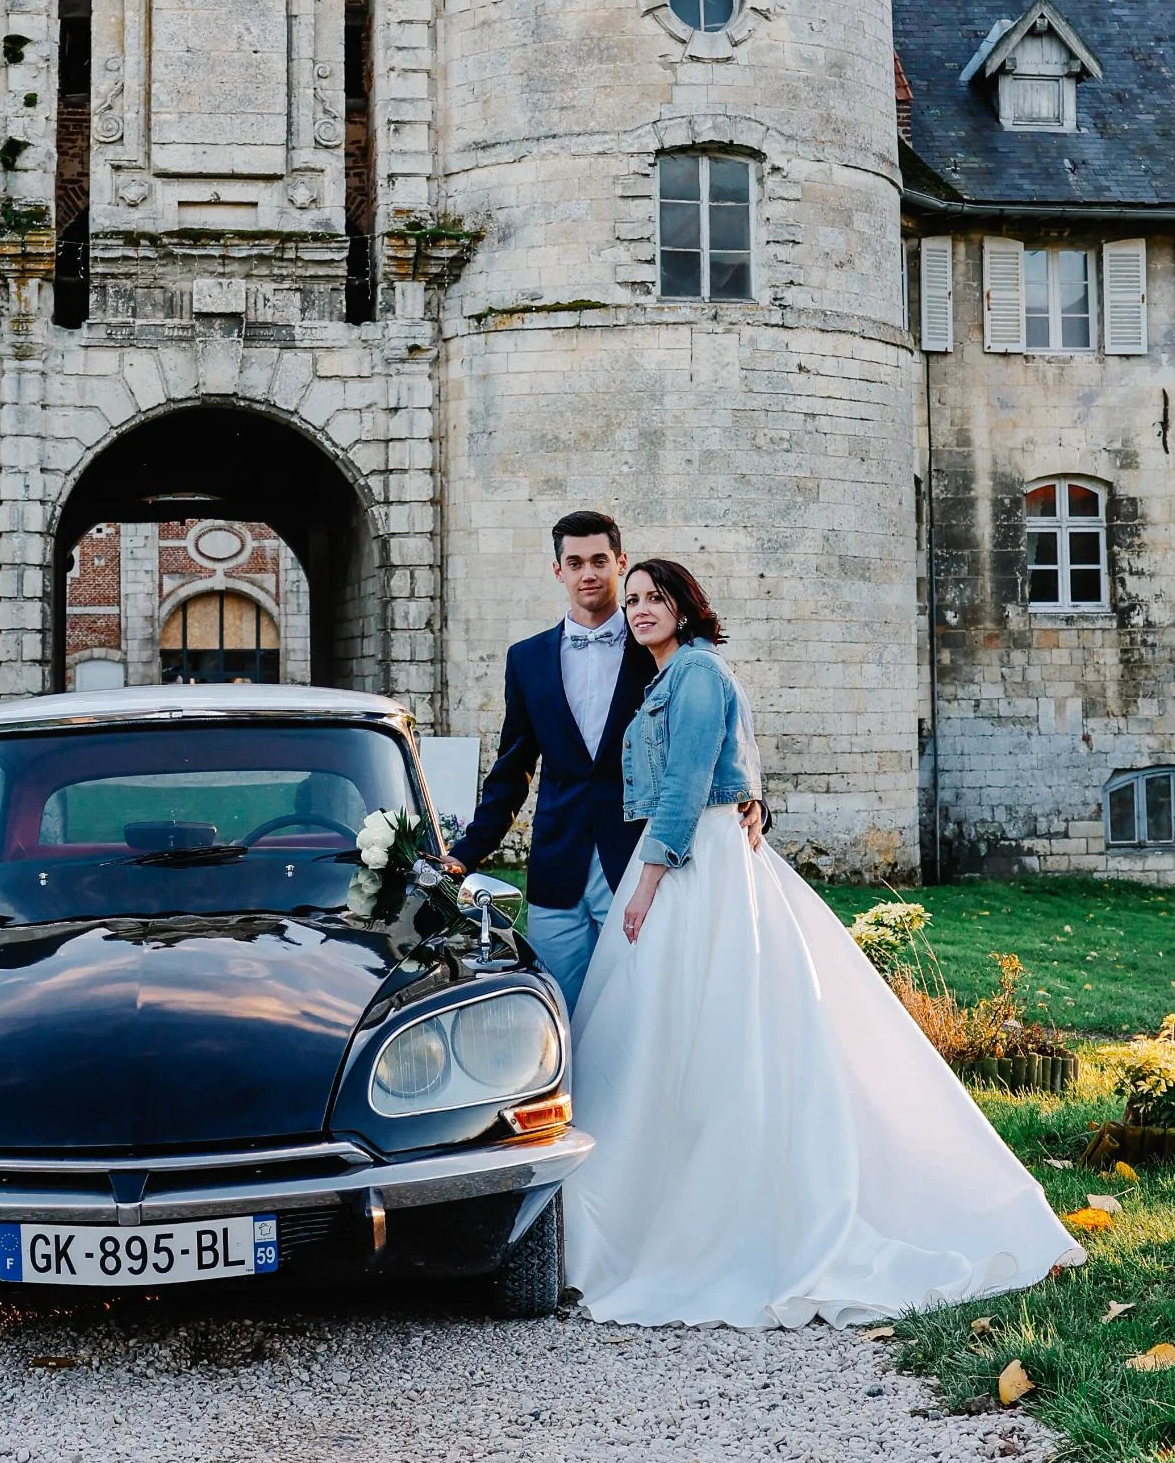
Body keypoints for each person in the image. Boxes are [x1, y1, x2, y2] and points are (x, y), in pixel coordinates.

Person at [564, 556, 1085, 1325]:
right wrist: (749, 799)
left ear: (685, 606)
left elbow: (686, 785)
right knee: (666, 1030)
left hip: (693, 861)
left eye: (655, 598)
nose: (641, 609)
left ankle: (692, 1221)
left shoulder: (696, 673)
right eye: (633, 598)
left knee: (696, 1024)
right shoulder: (679, 674)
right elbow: (741, 760)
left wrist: (645, 885)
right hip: (700, 850)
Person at [446, 511, 661, 1010]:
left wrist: (748, 795)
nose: (589, 573)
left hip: (634, 866)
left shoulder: (657, 649)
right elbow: (512, 768)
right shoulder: (527, 659)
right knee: (557, 1013)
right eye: (576, 563)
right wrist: (466, 852)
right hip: (556, 867)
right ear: (558, 570)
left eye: (599, 561)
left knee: (637, 1012)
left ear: (620, 563)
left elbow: (710, 728)